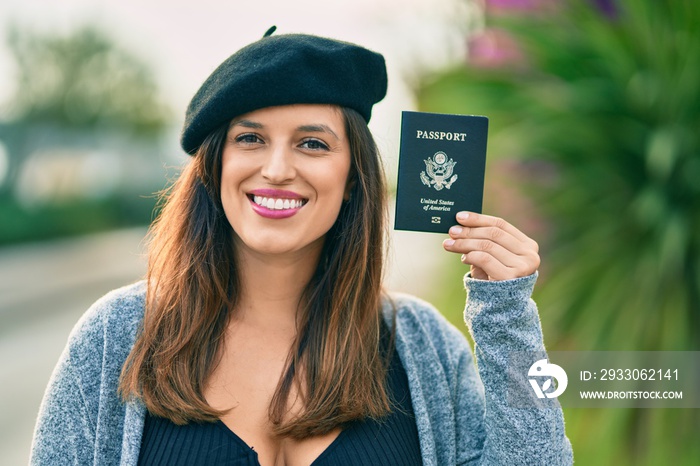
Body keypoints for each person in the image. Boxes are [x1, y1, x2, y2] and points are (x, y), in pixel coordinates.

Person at [30, 27, 573, 465]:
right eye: (250, 138)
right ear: (216, 166)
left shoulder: (422, 345)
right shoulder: (115, 338)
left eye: (312, 143)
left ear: (354, 175)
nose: (276, 169)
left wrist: (506, 316)